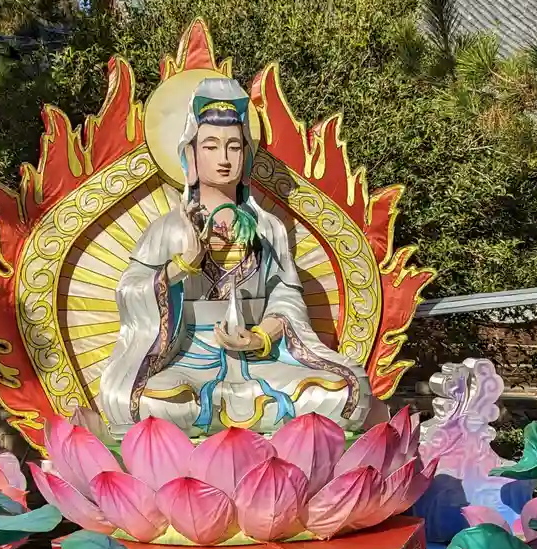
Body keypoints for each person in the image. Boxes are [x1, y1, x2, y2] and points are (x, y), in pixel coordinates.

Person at [97, 77, 374, 439]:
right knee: (141, 403)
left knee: (344, 392)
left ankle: (225, 430)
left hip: (260, 360)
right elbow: (130, 292)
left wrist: (260, 337)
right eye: (211, 146)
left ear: (246, 155)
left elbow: (286, 299)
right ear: (190, 156)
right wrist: (182, 266)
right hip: (189, 360)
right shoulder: (170, 228)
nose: (224, 159)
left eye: (234, 147)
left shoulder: (268, 227)